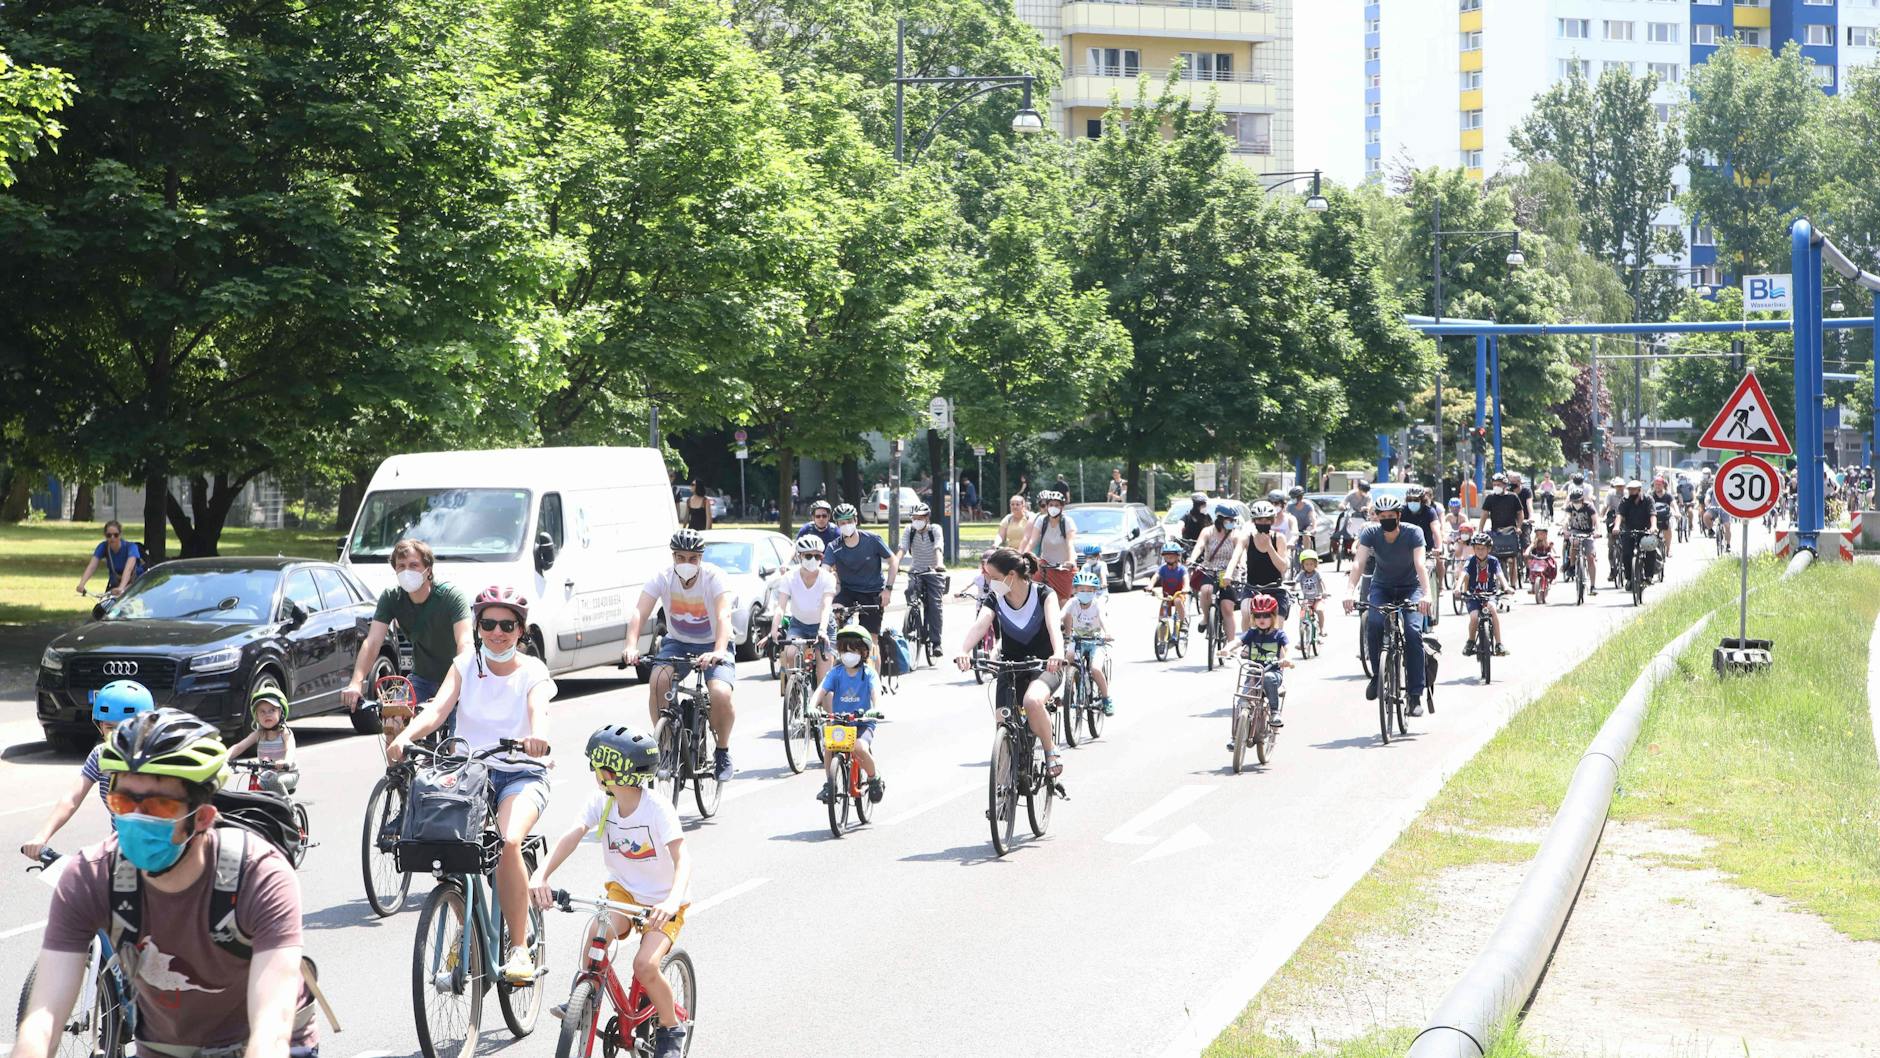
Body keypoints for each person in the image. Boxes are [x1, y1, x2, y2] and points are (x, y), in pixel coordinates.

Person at [20, 710, 315, 1058]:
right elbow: (43, 1019)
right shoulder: (91, 875)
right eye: (123, 802)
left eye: (158, 806)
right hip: (165, 1046)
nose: (135, 819)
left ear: (202, 818)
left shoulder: (259, 875)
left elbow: (271, 1030)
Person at [389, 586, 553, 982]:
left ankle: (518, 950)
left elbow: (539, 711)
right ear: (478, 626)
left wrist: (537, 736)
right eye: (489, 624)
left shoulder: (533, 671)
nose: (498, 632)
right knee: (451, 849)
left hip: (521, 772)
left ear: (521, 630)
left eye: (507, 625)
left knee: (509, 841)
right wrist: (406, 736)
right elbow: (440, 707)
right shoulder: (464, 664)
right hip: (470, 773)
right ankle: (466, 935)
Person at [531, 726, 691, 1058]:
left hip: (662, 900)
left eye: (597, 768)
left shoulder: (658, 809)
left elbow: (682, 859)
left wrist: (673, 899)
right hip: (625, 893)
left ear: (612, 772)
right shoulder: (602, 803)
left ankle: (671, 1024)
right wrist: (541, 874)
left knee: (645, 966)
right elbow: (571, 836)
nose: (594, 775)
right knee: (597, 930)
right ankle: (586, 994)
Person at [623, 529, 738, 781]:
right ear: (673, 557)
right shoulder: (662, 578)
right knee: (657, 682)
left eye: (693, 559)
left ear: (701, 558)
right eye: (681, 558)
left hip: (713, 642)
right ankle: (664, 747)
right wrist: (631, 645)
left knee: (720, 692)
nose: (687, 564)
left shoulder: (714, 577)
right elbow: (639, 613)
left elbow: (723, 616)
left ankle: (722, 751)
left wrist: (718, 650)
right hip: (677, 642)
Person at [953, 548, 1066, 778]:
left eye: (994, 578)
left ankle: (1049, 750)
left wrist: (1058, 653)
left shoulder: (1045, 594)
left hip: (1044, 665)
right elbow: (980, 624)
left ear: (1011, 575)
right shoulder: (995, 598)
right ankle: (1005, 783)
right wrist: (963, 650)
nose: (990, 583)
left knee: (1033, 701)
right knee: (1002, 720)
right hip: (1010, 666)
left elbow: (1055, 627)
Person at [18, 680, 154, 860]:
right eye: (110, 727)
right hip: (120, 854)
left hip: (160, 851)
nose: (116, 735)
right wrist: (41, 836)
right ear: (100, 726)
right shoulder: (100, 756)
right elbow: (71, 799)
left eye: (125, 727)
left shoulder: (156, 759)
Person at [343, 538, 474, 712]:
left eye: (414, 565)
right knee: (394, 719)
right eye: (401, 566)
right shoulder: (392, 598)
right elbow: (373, 641)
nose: (407, 571)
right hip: (421, 680)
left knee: (456, 736)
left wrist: (458, 684)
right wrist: (356, 682)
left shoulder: (451, 597)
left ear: (428, 570)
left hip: (456, 681)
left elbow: (465, 642)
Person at [1342, 494, 1433, 715]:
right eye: (1382, 516)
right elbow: (1359, 562)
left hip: (1411, 588)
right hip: (1382, 587)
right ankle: (1377, 675)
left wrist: (1427, 594)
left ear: (1399, 516)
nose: (1386, 520)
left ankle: (1414, 694)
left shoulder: (1414, 532)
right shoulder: (1370, 532)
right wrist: (1349, 591)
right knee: (1373, 623)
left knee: (1412, 632)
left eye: (1391, 516)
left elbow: (1420, 564)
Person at [813, 624, 888, 804]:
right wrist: (812, 706)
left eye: (853, 650)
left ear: (863, 652)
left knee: (859, 748)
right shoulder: (836, 673)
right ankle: (830, 784)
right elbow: (820, 691)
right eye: (845, 650)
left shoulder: (868, 673)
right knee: (829, 746)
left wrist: (876, 708)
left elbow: (876, 691)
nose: (848, 654)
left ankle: (874, 777)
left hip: (863, 722)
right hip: (840, 721)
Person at [769, 535, 836, 699]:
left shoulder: (827, 578)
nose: (813, 559)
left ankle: (825, 719)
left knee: (824, 682)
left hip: (824, 627)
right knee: (790, 654)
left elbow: (826, 607)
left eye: (817, 556)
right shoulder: (789, 578)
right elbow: (781, 607)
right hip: (799, 625)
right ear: (799, 556)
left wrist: (822, 631)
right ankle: (795, 696)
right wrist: (774, 629)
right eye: (808, 555)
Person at [825, 503, 898, 638]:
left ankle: (874, 657)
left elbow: (893, 561)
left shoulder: (872, 540)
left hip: (872, 592)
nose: (846, 525)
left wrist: (888, 589)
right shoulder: (833, 547)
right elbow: (823, 572)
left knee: (871, 638)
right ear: (837, 524)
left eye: (849, 521)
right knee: (835, 614)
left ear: (856, 521)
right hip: (848, 591)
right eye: (842, 523)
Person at [1222, 593, 1290, 728]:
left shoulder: (1279, 634)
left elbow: (1288, 648)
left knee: (1269, 678)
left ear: (1273, 616)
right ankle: (1236, 737)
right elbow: (1237, 641)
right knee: (1242, 701)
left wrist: (1287, 659)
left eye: (1266, 615)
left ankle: (1274, 712)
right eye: (1257, 615)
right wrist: (1227, 648)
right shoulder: (1252, 632)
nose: (1261, 619)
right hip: (1254, 673)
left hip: (1272, 672)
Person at [1189, 503, 1245, 642]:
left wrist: (1242, 564)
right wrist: (1192, 559)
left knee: (1227, 608)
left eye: (1233, 520)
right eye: (1229, 520)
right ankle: (1206, 618)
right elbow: (1199, 546)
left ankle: (1230, 645)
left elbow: (1240, 553)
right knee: (1206, 591)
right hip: (1209, 570)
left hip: (1229, 573)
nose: (1232, 523)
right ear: (1220, 519)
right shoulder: (1207, 532)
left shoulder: (1236, 534)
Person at [1062, 568, 1114, 715]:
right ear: (1075, 590)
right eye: (1082, 589)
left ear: (1094, 591)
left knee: (1095, 669)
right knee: (1068, 657)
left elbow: (1103, 618)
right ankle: (1069, 690)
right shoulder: (1072, 602)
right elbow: (1061, 614)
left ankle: (1106, 699)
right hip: (1077, 638)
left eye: (1089, 590)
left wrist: (1107, 632)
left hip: (1096, 641)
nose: (1085, 592)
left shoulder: (1098, 604)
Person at [229, 687, 299, 795]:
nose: (267, 714)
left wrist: (285, 762)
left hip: (287, 774)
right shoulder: (258, 734)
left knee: (274, 781)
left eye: (272, 710)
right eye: (262, 712)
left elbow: (290, 750)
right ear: (256, 716)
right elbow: (239, 747)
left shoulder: (285, 733)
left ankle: (288, 808)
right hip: (265, 776)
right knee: (251, 793)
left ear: (281, 713)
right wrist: (224, 757)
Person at [895, 501, 946, 649]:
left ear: (927, 518)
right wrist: (895, 563)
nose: (916, 521)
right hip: (916, 571)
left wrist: (939, 564)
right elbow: (902, 548)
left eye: (920, 518)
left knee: (935, 605)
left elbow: (938, 546)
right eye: (914, 518)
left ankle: (936, 642)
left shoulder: (935, 529)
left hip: (933, 571)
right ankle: (913, 621)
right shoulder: (909, 530)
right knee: (910, 592)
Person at [1457, 533, 1512, 656]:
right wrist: (1457, 587)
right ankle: (1470, 641)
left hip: (1489, 594)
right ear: (1474, 549)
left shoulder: (1494, 561)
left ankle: (1499, 644)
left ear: (1489, 549)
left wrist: (1506, 586)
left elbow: (1500, 575)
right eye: (1477, 548)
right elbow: (1463, 574)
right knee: (1474, 616)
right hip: (1473, 595)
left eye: (1483, 548)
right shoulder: (1470, 561)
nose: (1480, 551)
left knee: (1492, 610)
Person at [1240, 501, 1292, 625]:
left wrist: (1269, 547)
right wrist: (1229, 574)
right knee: (1246, 612)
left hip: (1275, 588)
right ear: (1254, 521)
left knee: (1277, 628)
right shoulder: (1247, 538)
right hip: (1252, 588)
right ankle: (1246, 643)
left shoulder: (1279, 538)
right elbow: (1236, 556)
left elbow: (1283, 567)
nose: (1263, 523)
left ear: (1272, 521)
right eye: (1259, 520)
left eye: (1266, 520)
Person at [1022, 491, 1078, 600]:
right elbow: (1032, 541)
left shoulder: (1067, 521)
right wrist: (1023, 556)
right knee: (1033, 591)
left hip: (1064, 566)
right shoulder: (1041, 520)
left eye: (1057, 505)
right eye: (1051, 505)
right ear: (1047, 506)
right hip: (1046, 564)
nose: (1053, 508)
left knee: (1063, 599)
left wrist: (1070, 561)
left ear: (1062, 507)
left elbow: (1070, 544)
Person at [75, 520, 144, 599]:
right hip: (115, 586)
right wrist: (82, 584)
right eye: (109, 535)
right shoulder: (103, 547)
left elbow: (128, 569)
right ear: (105, 535)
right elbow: (92, 566)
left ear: (120, 535)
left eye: (116, 535)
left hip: (135, 584)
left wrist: (121, 588)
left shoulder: (131, 547)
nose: (112, 538)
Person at [1404, 484, 1446, 598]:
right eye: (1410, 500)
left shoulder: (1430, 512)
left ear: (1422, 500)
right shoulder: (1402, 511)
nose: (1412, 502)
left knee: (1429, 567)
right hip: (1405, 550)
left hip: (1426, 550)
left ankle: (1433, 591)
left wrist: (1439, 548)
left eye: (1416, 500)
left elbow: (1436, 531)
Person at [1615, 480, 1656, 591]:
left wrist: (1653, 527)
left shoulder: (1648, 500)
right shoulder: (1625, 501)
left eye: (1634, 490)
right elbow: (1619, 515)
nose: (1632, 492)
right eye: (1630, 490)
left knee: (1650, 549)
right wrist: (1616, 527)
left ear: (1639, 490)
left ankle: (1648, 576)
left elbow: (1653, 514)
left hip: (1645, 530)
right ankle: (1629, 578)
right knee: (1627, 554)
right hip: (1630, 530)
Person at [1559, 486, 1600, 595]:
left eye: (1577, 501)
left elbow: (1596, 521)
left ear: (1582, 499)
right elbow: (1566, 519)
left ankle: (1592, 586)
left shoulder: (1589, 507)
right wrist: (1564, 530)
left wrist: (1596, 531)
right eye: (1574, 501)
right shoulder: (1569, 507)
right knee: (1574, 543)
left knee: (1591, 557)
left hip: (1588, 533)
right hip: (1575, 532)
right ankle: (1572, 566)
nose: (1575, 503)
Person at [1152, 540, 1189, 638]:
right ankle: (1162, 641)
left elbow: (1186, 579)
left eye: (1171, 556)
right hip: (1167, 596)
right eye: (1166, 556)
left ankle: (1183, 621)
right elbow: (1155, 576)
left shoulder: (1182, 569)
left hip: (1179, 594)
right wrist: (1150, 586)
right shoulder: (1163, 568)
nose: (1168, 558)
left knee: (1177, 601)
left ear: (1178, 556)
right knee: (1162, 618)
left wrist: (1186, 588)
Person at [1285, 486, 1317, 570]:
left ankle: (1306, 554)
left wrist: (1314, 528)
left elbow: (1313, 517)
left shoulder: (1308, 505)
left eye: (1294, 497)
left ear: (1300, 497)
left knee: (1306, 534)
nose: (1293, 499)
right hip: (1294, 527)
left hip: (1306, 526)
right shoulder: (1290, 506)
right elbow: (1286, 517)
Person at [1295, 550, 1326, 636]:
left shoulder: (1317, 574)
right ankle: (1301, 637)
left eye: (1311, 564)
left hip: (1317, 598)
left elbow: (1322, 582)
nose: (1309, 566)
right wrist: (1292, 587)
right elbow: (1295, 582)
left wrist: (1324, 592)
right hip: (1306, 599)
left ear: (1315, 564)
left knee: (1320, 610)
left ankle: (1322, 629)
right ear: (1303, 565)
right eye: (1306, 564)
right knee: (1302, 615)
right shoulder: (1301, 574)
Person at [1524, 526, 1558, 605]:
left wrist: (1554, 554)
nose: (1540, 535)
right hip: (1537, 559)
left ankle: (1552, 578)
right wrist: (1527, 552)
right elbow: (1530, 548)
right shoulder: (1535, 543)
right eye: (1538, 534)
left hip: (1545, 559)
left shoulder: (1548, 543)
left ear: (1546, 534)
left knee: (1553, 564)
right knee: (1531, 567)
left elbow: (1553, 550)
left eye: (1542, 534)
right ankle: (1533, 584)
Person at [1649, 475, 1676, 560]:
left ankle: (1668, 549)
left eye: (1659, 484)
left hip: (1664, 517)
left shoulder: (1668, 495)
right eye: (1656, 484)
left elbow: (1673, 504)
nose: (1657, 486)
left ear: (1663, 485)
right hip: (1653, 518)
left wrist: (1677, 512)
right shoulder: (1650, 495)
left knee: (1667, 528)